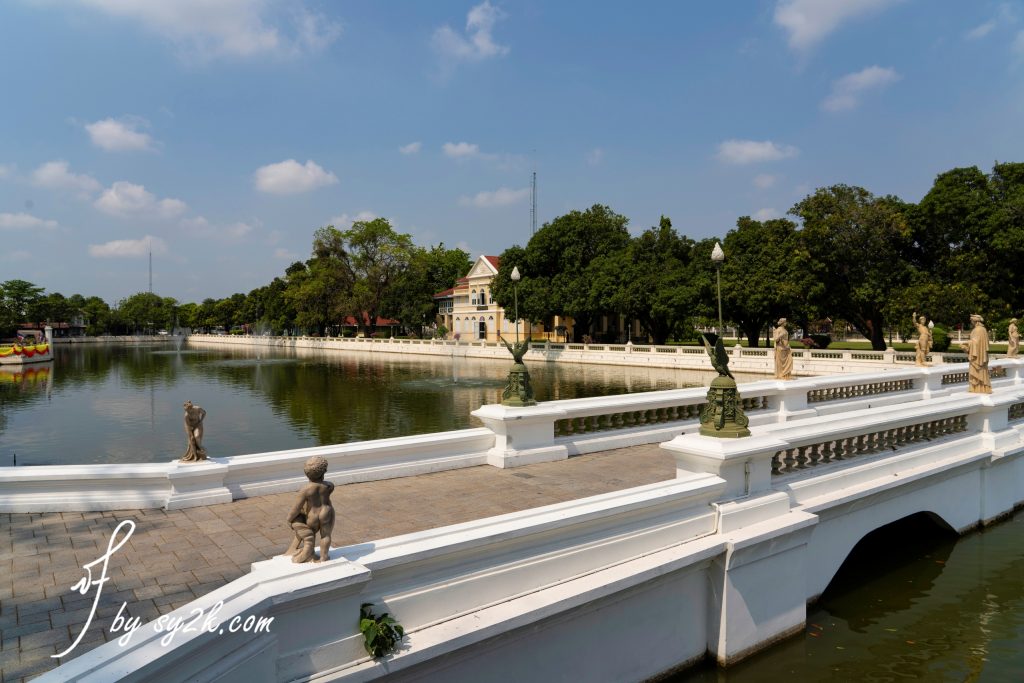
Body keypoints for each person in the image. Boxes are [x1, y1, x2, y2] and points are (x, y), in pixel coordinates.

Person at [284, 456, 335, 563]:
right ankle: (324, 557)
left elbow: (296, 508)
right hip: (327, 512)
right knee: (326, 535)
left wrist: (289, 519)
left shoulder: (305, 489)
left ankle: (309, 552)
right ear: (325, 471)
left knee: (310, 534)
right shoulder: (329, 486)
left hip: (313, 515)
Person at [965, 314, 991, 394]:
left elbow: (975, 343)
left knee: (977, 370)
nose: (971, 322)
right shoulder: (983, 329)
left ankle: (977, 388)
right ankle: (983, 388)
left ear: (975, 321)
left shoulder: (977, 330)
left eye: (971, 321)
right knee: (982, 370)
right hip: (982, 355)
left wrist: (967, 344)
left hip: (977, 356)